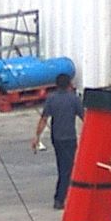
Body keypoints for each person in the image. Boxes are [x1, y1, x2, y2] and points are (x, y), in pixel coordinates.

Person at [31, 72, 83, 209]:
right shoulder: (74, 99)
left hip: (57, 138)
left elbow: (44, 119)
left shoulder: (51, 99)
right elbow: (85, 117)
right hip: (69, 137)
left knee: (63, 167)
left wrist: (37, 137)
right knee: (69, 169)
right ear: (69, 85)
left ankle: (65, 196)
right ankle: (60, 199)